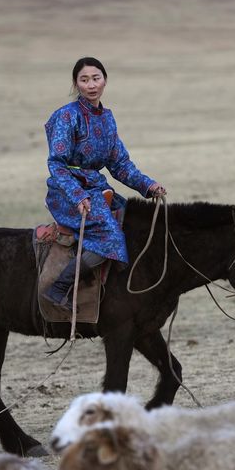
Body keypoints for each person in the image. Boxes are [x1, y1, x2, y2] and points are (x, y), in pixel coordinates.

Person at [42, 56, 166, 309]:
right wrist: (78, 195)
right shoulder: (67, 116)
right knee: (109, 238)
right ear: (76, 84)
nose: (91, 85)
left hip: (96, 188)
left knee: (133, 221)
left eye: (95, 78)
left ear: (105, 81)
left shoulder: (107, 119)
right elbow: (57, 164)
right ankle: (59, 289)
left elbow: (119, 163)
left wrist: (148, 185)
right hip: (67, 191)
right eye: (84, 79)